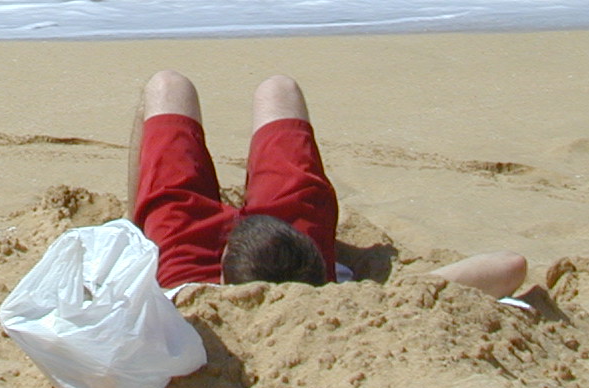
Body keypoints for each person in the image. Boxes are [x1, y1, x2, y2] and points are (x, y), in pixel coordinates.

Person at [127, 70, 527, 298]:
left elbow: (511, 267)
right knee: (276, 88)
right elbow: (510, 265)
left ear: (224, 258)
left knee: (168, 85)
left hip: (189, 262)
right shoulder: (325, 298)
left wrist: (139, 225)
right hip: (290, 256)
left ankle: (133, 222)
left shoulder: (179, 302)